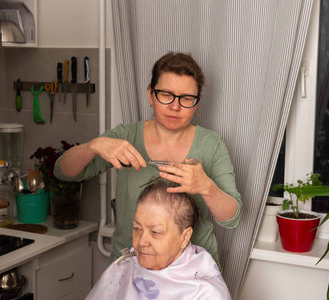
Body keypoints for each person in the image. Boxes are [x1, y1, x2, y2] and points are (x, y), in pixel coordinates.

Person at [54, 51, 242, 266]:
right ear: (150, 95)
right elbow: (63, 172)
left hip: (193, 274)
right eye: (166, 94)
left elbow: (231, 218)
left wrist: (205, 186)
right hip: (131, 269)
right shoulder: (126, 136)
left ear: (197, 103)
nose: (175, 106)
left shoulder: (212, 144)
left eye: (186, 98)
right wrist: (93, 146)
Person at [85, 178, 232, 300]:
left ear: (185, 237)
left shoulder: (205, 292)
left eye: (155, 232)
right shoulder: (125, 266)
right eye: (137, 228)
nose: (142, 242)